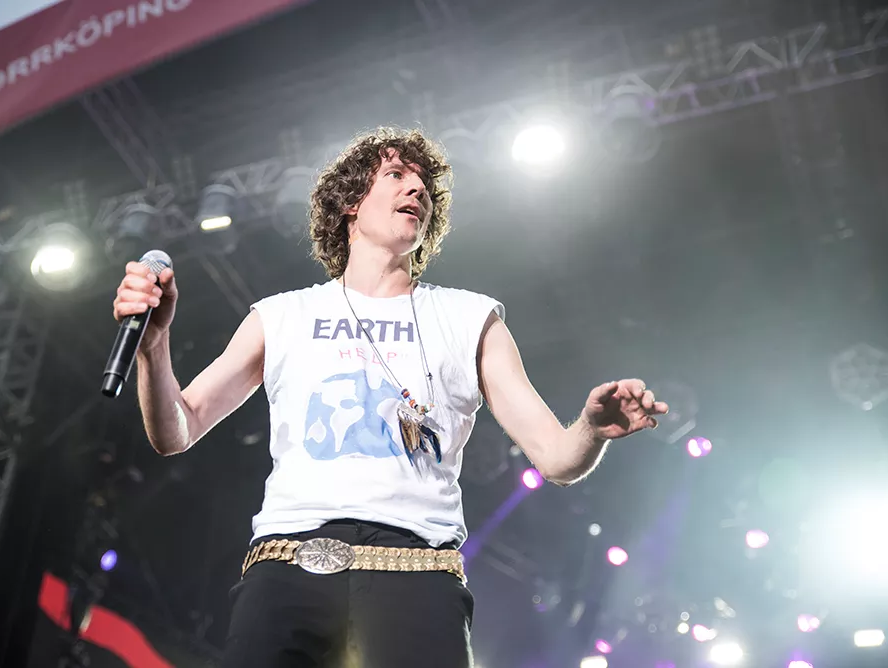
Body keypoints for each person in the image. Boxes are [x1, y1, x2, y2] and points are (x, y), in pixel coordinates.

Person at [112, 127, 669, 667]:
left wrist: (591, 429)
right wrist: (153, 348)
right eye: (397, 174)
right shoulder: (281, 315)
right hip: (289, 564)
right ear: (351, 202)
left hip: (417, 573)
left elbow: (556, 458)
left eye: (424, 183)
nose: (418, 188)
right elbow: (177, 429)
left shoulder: (470, 317)